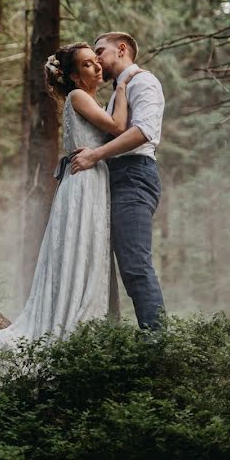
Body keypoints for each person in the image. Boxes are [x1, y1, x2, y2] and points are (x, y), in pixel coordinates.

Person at [0, 42, 139, 389]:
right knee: (81, 251)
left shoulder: (86, 99)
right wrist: (123, 86)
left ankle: (87, 330)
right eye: (88, 65)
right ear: (73, 76)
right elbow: (118, 126)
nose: (97, 68)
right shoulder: (77, 97)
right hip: (84, 183)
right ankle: (72, 329)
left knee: (88, 254)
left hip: (89, 180)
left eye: (96, 62)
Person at [70, 32, 165, 331]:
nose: (96, 58)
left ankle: (157, 344)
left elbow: (143, 131)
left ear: (121, 49)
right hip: (117, 178)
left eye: (100, 51)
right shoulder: (117, 91)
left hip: (134, 176)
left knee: (135, 266)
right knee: (114, 267)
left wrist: (96, 155)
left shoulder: (143, 81)